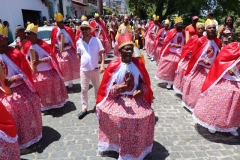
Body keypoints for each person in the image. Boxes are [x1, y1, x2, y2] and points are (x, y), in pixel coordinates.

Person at [96, 30, 155, 160]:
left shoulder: (139, 65)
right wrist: (118, 89)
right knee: (118, 118)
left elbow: (144, 84)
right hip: (118, 100)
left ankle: (135, 148)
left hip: (135, 100)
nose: (129, 52)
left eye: (131, 49)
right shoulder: (113, 65)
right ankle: (117, 145)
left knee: (146, 116)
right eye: (126, 49)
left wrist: (141, 90)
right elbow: (107, 90)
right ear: (120, 51)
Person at [0, 25, 42, 149]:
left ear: (6, 40)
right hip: (3, 91)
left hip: (19, 88)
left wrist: (13, 78)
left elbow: (26, 73)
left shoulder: (16, 54)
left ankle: (28, 139)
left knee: (22, 106)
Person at [193, 42, 240, 136]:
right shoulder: (232, 47)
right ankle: (212, 124)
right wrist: (228, 68)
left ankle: (231, 126)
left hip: (238, 82)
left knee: (234, 107)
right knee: (220, 104)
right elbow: (220, 61)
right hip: (225, 80)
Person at [23, 23, 69, 111]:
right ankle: (43, 104)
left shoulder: (43, 45)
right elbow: (25, 59)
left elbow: (50, 57)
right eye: (26, 33)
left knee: (51, 87)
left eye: (28, 33)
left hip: (47, 71)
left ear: (34, 34)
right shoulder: (27, 46)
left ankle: (55, 104)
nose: (26, 35)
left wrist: (40, 61)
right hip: (35, 73)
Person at [182, 19, 222, 112]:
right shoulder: (200, 41)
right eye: (209, 28)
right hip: (200, 68)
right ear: (206, 30)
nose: (212, 29)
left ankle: (203, 106)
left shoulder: (218, 42)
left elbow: (218, 55)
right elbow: (194, 57)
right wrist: (202, 60)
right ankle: (193, 105)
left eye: (213, 28)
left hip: (211, 69)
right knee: (197, 85)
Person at [76, 21, 105, 119]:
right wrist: (80, 65)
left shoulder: (96, 40)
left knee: (97, 88)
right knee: (84, 89)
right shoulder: (79, 42)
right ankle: (84, 108)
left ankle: (98, 105)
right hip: (84, 69)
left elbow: (101, 53)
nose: (84, 31)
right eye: (82, 29)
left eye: (86, 29)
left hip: (95, 69)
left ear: (89, 30)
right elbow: (79, 55)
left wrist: (102, 65)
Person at [173, 23, 205, 94]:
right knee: (182, 70)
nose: (200, 30)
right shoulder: (193, 37)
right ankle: (182, 88)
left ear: (204, 30)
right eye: (198, 28)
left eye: (201, 29)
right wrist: (189, 51)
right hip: (189, 58)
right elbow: (187, 47)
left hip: (197, 61)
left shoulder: (205, 39)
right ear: (196, 30)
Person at [51, 13, 80, 88]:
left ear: (62, 22)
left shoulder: (68, 30)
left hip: (68, 50)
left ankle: (70, 82)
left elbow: (73, 41)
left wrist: (67, 45)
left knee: (69, 66)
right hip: (59, 51)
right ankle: (62, 82)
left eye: (60, 23)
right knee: (61, 67)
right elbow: (53, 41)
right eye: (57, 23)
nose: (58, 24)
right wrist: (56, 45)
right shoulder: (54, 30)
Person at [155, 16, 185, 89]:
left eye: (181, 25)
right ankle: (169, 82)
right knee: (170, 64)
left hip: (181, 52)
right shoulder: (172, 32)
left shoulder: (184, 32)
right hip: (172, 51)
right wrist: (174, 45)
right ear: (175, 26)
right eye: (178, 25)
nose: (180, 27)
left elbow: (187, 43)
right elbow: (167, 42)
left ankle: (176, 82)